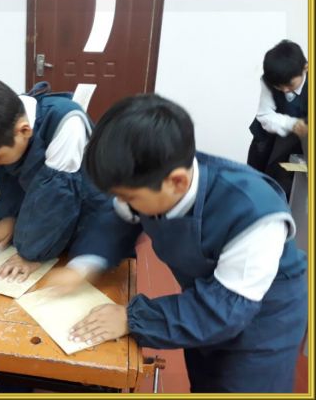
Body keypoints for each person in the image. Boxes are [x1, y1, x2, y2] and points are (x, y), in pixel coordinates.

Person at [46, 93, 307, 392]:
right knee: (205, 377)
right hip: (204, 298)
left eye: (129, 197)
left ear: (178, 182)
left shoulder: (253, 212)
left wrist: (131, 318)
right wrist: (82, 267)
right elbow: (118, 218)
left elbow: (223, 310)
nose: (123, 203)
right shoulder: (153, 179)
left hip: (264, 319)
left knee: (239, 386)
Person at [0, 76, 115, 283]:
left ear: (24, 130)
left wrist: (31, 255)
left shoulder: (67, 123)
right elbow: (11, 184)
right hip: (47, 226)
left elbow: (56, 199)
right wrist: (10, 219)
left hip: (91, 229)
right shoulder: (3, 125)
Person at [247, 39, 308, 199]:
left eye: (290, 84)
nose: (285, 90)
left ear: (305, 68)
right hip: (267, 138)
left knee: (291, 186)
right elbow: (265, 115)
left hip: (299, 140)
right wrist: (291, 124)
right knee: (260, 183)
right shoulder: (269, 81)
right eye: (279, 86)